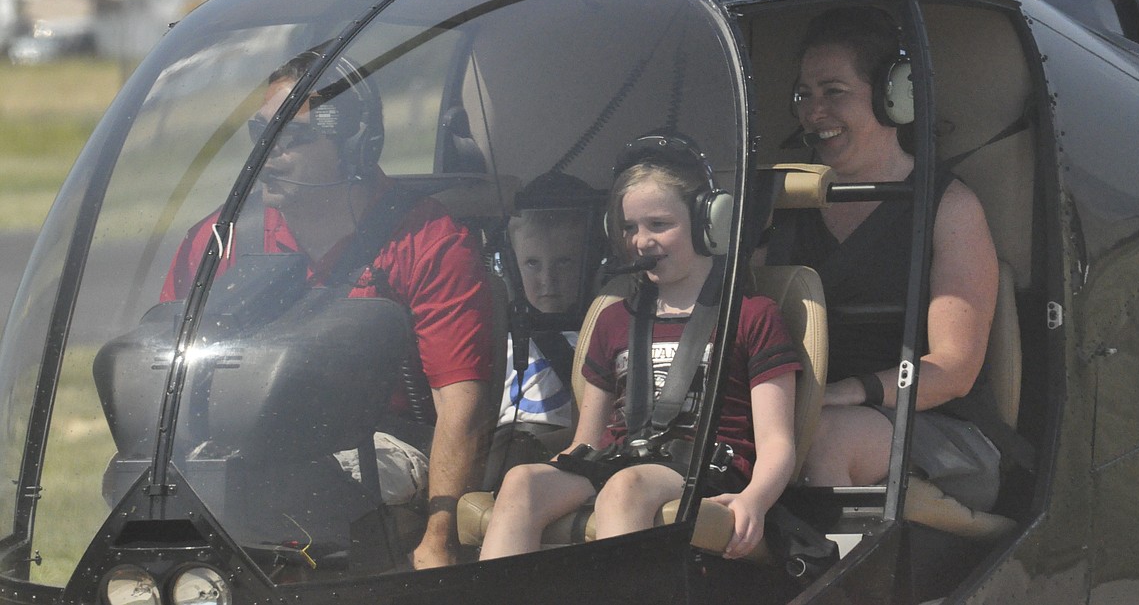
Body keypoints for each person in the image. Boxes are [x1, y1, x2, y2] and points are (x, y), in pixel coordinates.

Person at [161, 50, 495, 569]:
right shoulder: (220, 240)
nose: (267, 153)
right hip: (242, 438)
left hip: (379, 437)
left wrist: (438, 540)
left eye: (291, 138)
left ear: (355, 147)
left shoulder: (429, 242)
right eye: (259, 135)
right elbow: (162, 364)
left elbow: (461, 405)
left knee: (294, 483)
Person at [479, 137, 800, 561]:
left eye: (659, 224)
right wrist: (544, 476)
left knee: (625, 488)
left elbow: (778, 444)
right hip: (623, 459)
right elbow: (587, 442)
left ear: (709, 225)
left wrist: (755, 500)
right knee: (522, 480)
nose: (641, 241)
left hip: (709, 468)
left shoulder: (753, 315)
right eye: (629, 228)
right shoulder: (613, 319)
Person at [766, 6, 1001, 511]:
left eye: (834, 92)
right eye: (804, 95)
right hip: (798, 412)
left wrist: (847, 393)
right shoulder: (784, 203)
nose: (814, 112)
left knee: (824, 438)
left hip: (937, 432)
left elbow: (954, 369)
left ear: (894, 96)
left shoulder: (948, 206)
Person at [497, 172, 600, 434]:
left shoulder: (601, 338)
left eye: (564, 262)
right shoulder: (499, 341)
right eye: (532, 264)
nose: (547, 280)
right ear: (511, 267)